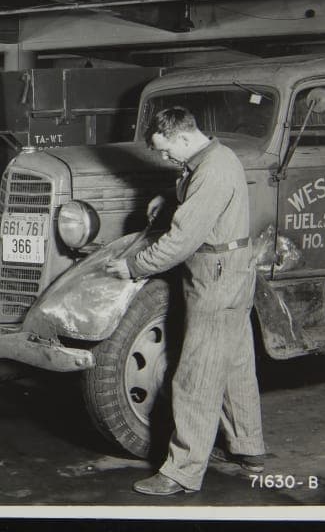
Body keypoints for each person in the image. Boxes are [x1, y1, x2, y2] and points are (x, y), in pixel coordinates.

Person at [105, 106, 265, 496]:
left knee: (195, 375)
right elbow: (202, 206)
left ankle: (183, 471)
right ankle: (249, 448)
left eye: (165, 151)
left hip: (215, 276)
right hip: (232, 270)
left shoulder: (211, 171)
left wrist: (134, 267)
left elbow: (179, 243)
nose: (164, 158)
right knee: (234, 363)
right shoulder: (215, 157)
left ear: (181, 136)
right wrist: (171, 199)